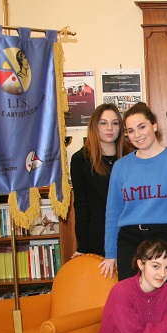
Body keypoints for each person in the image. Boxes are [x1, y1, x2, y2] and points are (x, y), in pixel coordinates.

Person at [101, 102, 167, 280]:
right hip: (130, 239)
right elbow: (113, 212)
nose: (137, 135)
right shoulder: (120, 166)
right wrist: (110, 253)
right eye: (131, 131)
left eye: (142, 127)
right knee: (130, 293)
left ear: (154, 125)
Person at [70, 104, 132, 257]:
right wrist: (82, 245)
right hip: (99, 236)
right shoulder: (81, 159)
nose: (110, 128)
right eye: (103, 123)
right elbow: (81, 205)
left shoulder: (132, 155)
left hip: (131, 233)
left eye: (115, 123)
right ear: (94, 126)